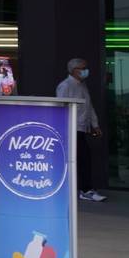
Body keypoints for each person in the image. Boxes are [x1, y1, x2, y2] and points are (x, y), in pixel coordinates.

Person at [56, 58, 106, 202]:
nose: (85, 71)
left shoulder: (82, 86)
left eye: (86, 67)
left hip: (82, 128)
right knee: (82, 158)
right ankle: (85, 190)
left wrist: (94, 124)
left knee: (83, 159)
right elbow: (61, 107)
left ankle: (84, 189)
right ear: (73, 70)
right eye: (82, 68)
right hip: (71, 128)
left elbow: (89, 107)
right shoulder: (65, 86)